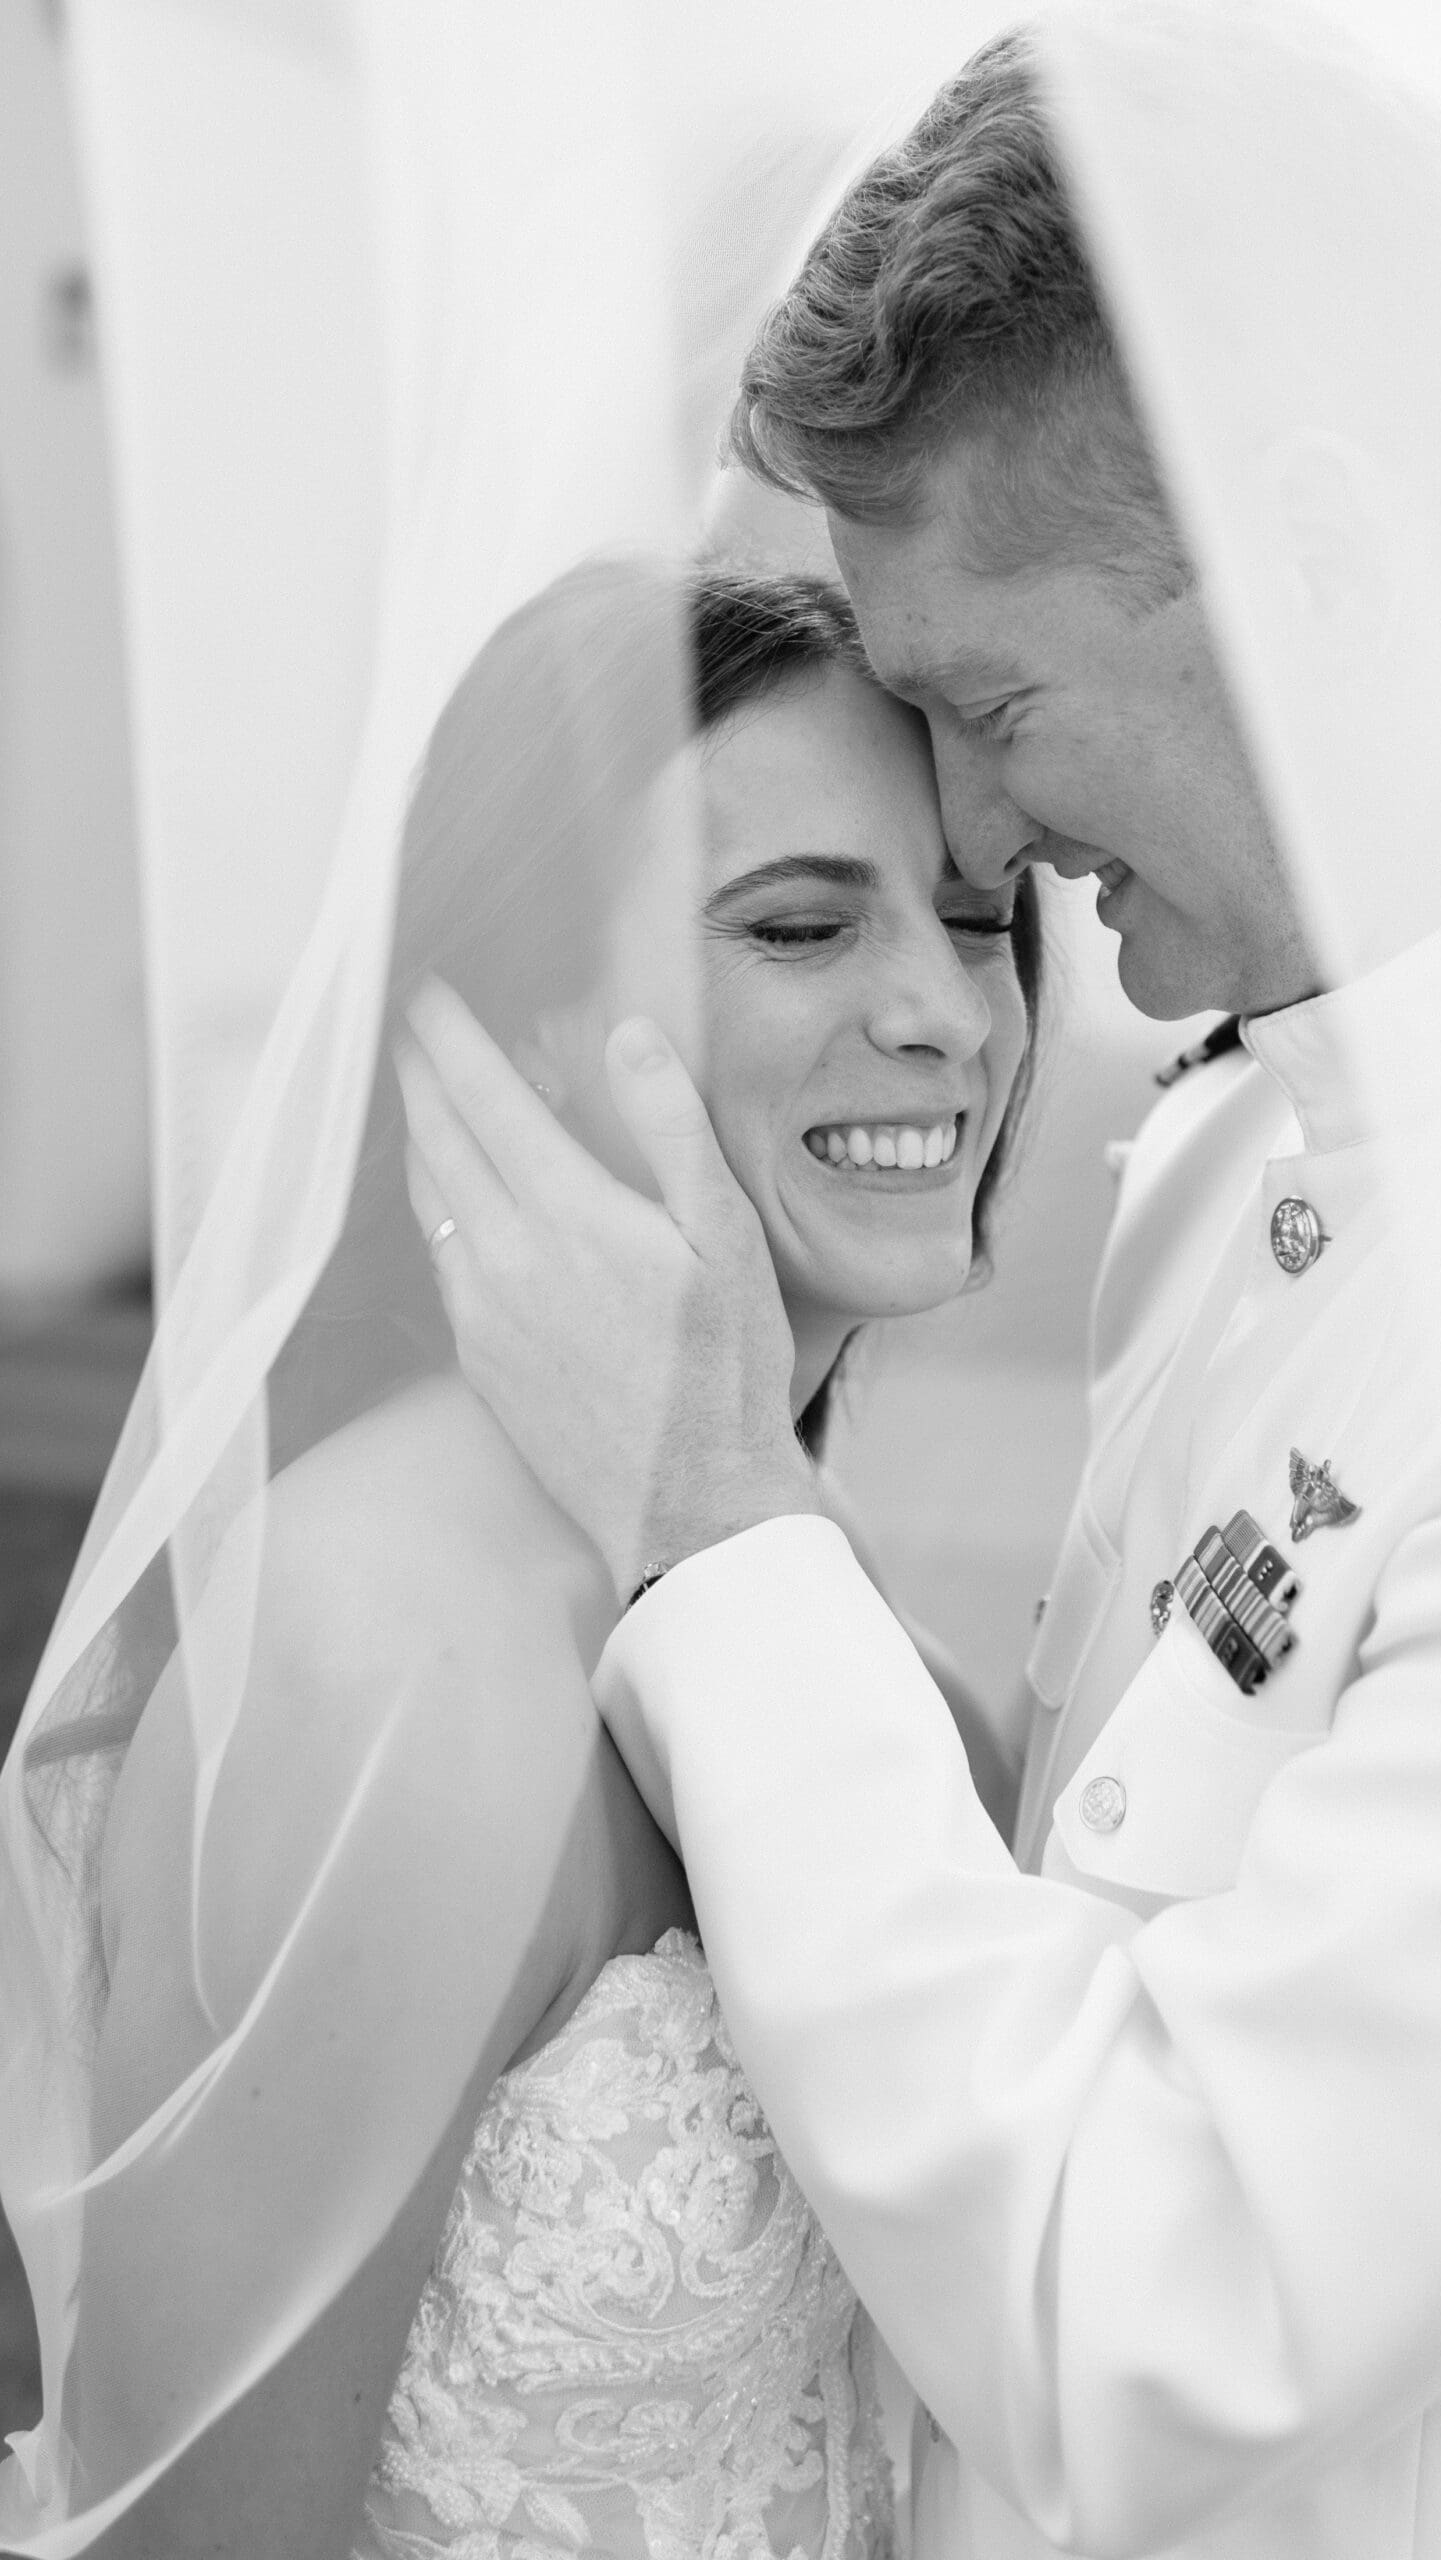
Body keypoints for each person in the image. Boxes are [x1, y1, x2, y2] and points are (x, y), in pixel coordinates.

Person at [398, 20, 1441, 2560]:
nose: (978, 835)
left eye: (989, 703)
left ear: (1310, 555)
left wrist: (715, 1521)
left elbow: (1152, 2311)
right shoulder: (1243, 1138)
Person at [3, 560, 1040, 2560]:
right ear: (526, 1029)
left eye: (980, 917)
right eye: (801, 924)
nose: (943, 1012)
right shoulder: (383, 1659)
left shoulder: (890, 1687)